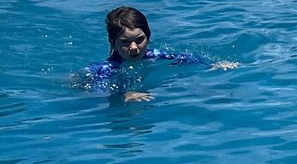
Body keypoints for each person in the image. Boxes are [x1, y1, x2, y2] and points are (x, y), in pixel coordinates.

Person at [81, 6, 234, 100]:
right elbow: (99, 90)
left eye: (140, 39)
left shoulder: (155, 55)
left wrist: (213, 64)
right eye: (125, 42)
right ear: (113, 42)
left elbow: (187, 58)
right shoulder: (105, 68)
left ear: (148, 37)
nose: (134, 47)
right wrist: (123, 95)